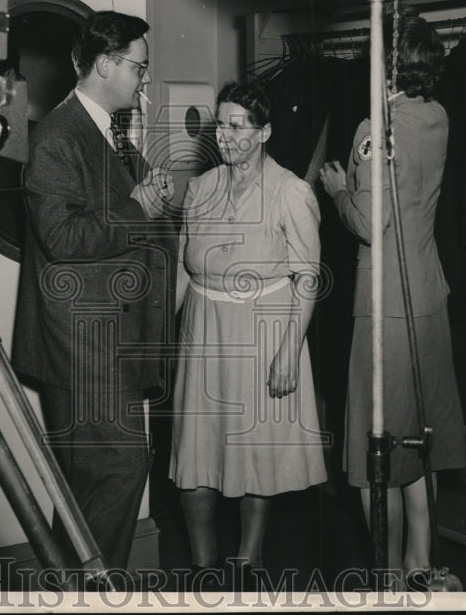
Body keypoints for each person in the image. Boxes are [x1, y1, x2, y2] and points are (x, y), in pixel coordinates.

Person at [13, 10, 177, 574]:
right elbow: (62, 238)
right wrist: (139, 209)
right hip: (83, 344)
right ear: (106, 63)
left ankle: (71, 584)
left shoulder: (106, 132)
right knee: (120, 467)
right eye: (139, 67)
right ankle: (90, 593)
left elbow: (112, 214)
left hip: (108, 338)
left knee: (90, 480)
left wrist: (146, 197)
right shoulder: (59, 137)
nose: (144, 79)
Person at [320, 14, 466, 582]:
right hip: (427, 295)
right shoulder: (437, 117)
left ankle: (384, 574)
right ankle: (421, 565)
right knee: (420, 439)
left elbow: (368, 221)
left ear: (387, 66)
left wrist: (336, 190)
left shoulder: (373, 128)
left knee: (373, 445)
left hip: (383, 305)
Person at [170, 81, 327, 588]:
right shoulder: (200, 187)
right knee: (195, 447)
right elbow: (181, 266)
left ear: (264, 132)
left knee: (255, 449)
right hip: (203, 327)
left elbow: (307, 277)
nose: (226, 134)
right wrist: (168, 338)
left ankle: (249, 555)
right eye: (221, 123)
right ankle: (202, 561)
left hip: (265, 331)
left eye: (238, 125)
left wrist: (290, 348)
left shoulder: (290, 191)